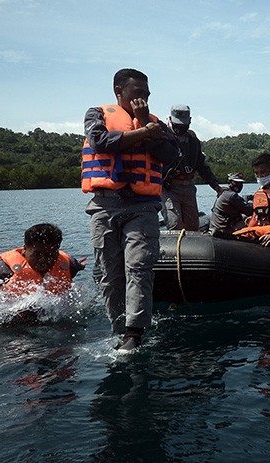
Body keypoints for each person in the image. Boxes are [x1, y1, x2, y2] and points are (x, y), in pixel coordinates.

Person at [82, 68, 180, 352]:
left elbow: (171, 156)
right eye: (137, 93)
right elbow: (100, 141)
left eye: (147, 95)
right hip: (105, 204)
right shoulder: (96, 114)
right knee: (109, 274)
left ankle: (134, 332)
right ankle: (119, 326)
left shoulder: (158, 125)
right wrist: (141, 132)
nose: (143, 99)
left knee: (138, 266)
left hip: (143, 206)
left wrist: (146, 129)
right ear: (119, 92)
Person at [161, 104, 223, 230]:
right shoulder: (162, 138)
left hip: (188, 188)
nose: (180, 129)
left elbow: (202, 166)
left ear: (189, 121)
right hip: (169, 188)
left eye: (183, 125)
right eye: (177, 125)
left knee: (193, 227)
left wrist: (216, 187)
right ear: (170, 120)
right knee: (175, 223)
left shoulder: (193, 141)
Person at [208, 172, 253, 237]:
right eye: (236, 182)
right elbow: (249, 211)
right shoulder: (232, 195)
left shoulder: (223, 192)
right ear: (229, 182)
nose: (239, 185)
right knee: (252, 219)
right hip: (224, 229)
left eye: (241, 183)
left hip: (217, 226)